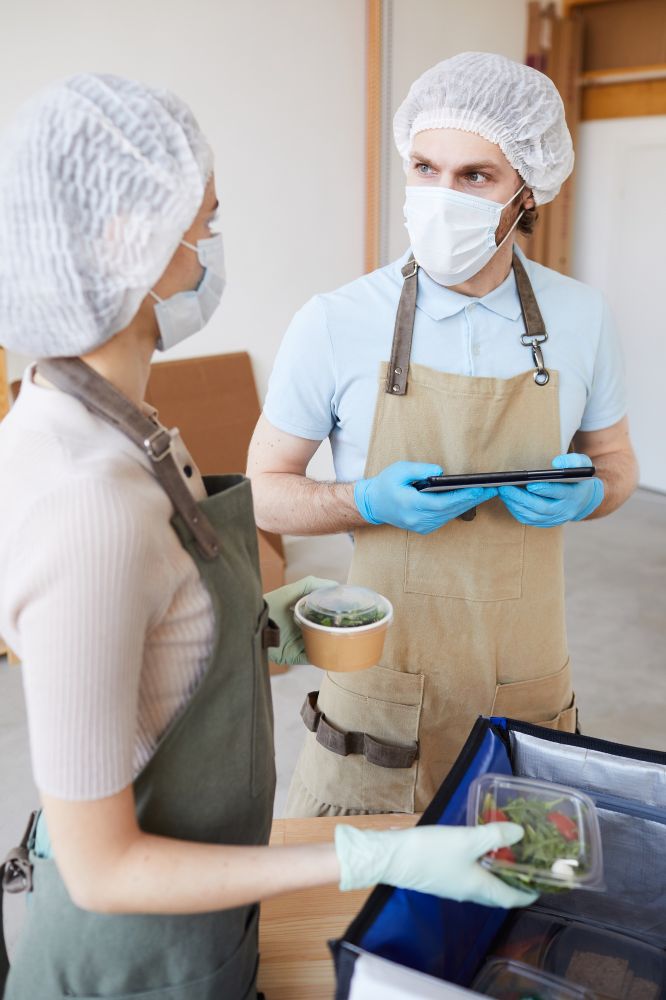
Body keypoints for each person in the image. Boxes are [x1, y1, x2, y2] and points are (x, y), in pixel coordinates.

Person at [0, 74, 536, 1000]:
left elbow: (141, 662)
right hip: (137, 970)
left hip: (208, 929)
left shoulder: (103, 418)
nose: (213, 244)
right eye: (206, 219)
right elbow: (103, 869)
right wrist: (377, 853)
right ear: (135, 242)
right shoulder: (87, 498)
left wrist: (249, 622)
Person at [247, 52, 639, 819]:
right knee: (354, 906)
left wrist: (592, 493)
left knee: (513, 905)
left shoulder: (582, 318)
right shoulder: (335, 321)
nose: (441, 197)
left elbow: (619, 461)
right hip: (379, 682)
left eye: (474, 177)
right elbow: (262, 492)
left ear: (529, 190)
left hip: (526, 680)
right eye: (425, 168)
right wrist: (363, 498)